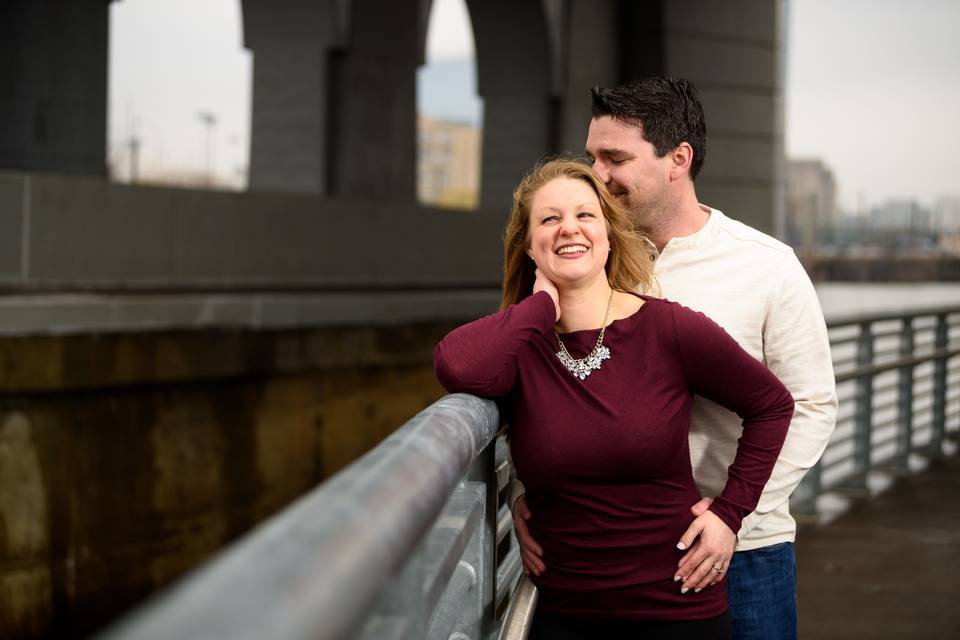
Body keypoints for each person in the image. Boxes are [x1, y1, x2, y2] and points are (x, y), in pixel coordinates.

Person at [511, 77, 838, 639]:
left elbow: (810, 405)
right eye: (591, 157)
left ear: (677, 160)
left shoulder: (767, 266)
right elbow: (539, 384)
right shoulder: (584, 259)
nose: (597, 175)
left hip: (743, 551)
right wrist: (526, 490)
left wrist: (730, 514)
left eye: (615, 158)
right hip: (605, 556)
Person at [434, 158, 795, 639]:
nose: (569, 228)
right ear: (528, 245)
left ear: (608, 233)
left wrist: (730, 514)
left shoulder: (668, 329)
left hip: (677, 608)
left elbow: (772, 404)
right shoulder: (521, 347)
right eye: (549, 219)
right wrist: (540, 306)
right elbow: (456, 365)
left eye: (585, 215)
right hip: (564, 613)